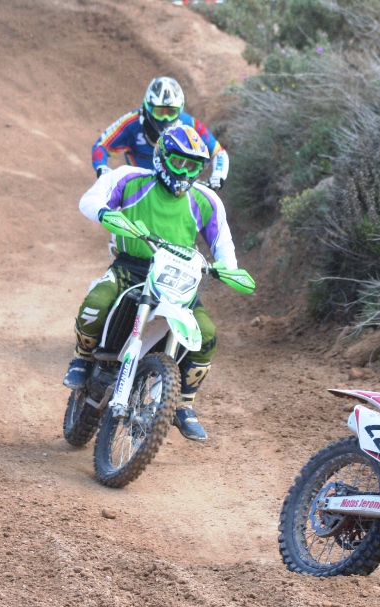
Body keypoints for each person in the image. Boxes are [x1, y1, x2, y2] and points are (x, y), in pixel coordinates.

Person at [64, 124, 238, 442]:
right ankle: (83, 358)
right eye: (179, 162)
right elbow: (90, 199)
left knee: (207, 334)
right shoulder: (130, 178)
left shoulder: (206, 200)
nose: (185, 171)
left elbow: (222, 241)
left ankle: (183, 403)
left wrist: (228, 268)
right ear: (161, 158)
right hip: (131, 267)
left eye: (193, 166)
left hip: (178, 276)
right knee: (96, 303)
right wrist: (105, 214)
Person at [91, 77, 229, 189]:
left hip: (178, 188)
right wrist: (102, 168)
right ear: (147, 107)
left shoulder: (189, 124)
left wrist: (218, 176)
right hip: (139, 187)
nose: (165, 119)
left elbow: (218, 152)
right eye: (159, 112)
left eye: (171, 112)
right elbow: (101, 145)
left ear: (179, 111)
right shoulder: (131, 123)